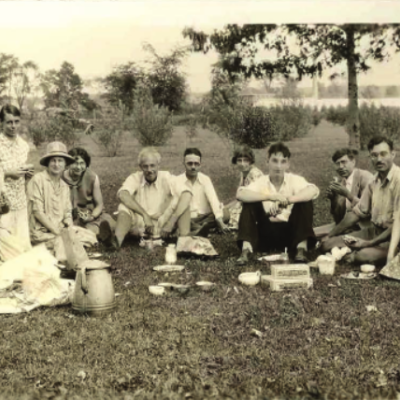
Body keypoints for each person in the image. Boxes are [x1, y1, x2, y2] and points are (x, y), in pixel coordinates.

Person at [321, 136, 400, 267]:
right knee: (326, 245)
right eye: (374, 155)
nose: (379, 159)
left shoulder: (398, 180)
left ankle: (367, 253)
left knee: (362, 255)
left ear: (393, 154)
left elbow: (398, 225)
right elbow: (357, 213)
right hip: (374, 231)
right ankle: (353, 251)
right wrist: (330, 235)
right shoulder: (374, 182)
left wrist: (368, 243)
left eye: (383, 154)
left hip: (394, 239)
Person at [236, 142, 319, 265]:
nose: (278, 166)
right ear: (267, 162)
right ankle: (246, 250)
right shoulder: (261, 181)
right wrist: (270, 197)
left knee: (305, 202)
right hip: (265, 234)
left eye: (283, 162)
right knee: (249, 202)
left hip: (291, 235)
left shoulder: (294, 180)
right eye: (275, 161)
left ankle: (301, 250)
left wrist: (288, 200)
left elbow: (313, 190)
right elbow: (240, 194)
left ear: (288, 164)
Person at [113, 147, 192, 249]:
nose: (149, 170)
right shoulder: (135, 177)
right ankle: (116, 242)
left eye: (152, 166)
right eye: (145, 166)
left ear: (158, 165)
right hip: (141, 223)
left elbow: (187, 194)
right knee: (123, 207)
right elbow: (123, 194)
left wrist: (171, 223)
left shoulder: (167, 177)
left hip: (163, 222)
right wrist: (144, 215)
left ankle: (184, 242)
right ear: (140, 166)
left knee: (183, 203)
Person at [314, 148, 373, 238]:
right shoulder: (343, 182)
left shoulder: (365, 177)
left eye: (343, 162)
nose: (341, 167)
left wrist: (348, 195)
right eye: (337, 164)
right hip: (345, 225)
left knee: (327, 242)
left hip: (364, 227)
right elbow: (338, 219)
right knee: (309, 233)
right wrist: (333, 199)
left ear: (353, 162)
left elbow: (369, 210)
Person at [62, 147, 116, 243]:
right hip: (68, 216)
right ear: (68, 163)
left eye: (82, 163)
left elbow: (99, 205)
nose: (78, 167)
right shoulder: (60, 178)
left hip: (89, 215)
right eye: (75, 163)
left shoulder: (92, 177)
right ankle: (96, 236)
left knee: (100, 224)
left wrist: (91, 217)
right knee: (71, 230)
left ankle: (99, 233)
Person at [27, 142, 75, 250]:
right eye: (53, 160)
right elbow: (37, 212)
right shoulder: (38, 180)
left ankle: (63, 243)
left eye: (60, 161)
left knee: (86, 235)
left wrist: (70, 227)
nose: (56, 164)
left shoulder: (64, 186)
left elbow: (67, 212)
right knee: (63, 242)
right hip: (40, 231)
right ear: (48, 163)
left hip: (59, 228)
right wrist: (58, 232)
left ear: (65, 164)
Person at [173, 148, 230, 237]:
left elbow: (213, 200)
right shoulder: (177, 180)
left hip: (205, 216)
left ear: (200, 165)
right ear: (183, 163)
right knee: (177, 220)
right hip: (188, 218)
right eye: (190, 163)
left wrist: (219, 220)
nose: (193, 167)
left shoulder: (205, 179)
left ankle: (198, 229)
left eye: (196, 164)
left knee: (225, 213)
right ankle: (201, 229)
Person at [0, 104, 33, 251]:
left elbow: (21, 169)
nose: (13, 126)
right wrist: (7, 174)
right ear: (1, 123)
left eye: (16, 121)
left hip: (19, 198)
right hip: (2, 200)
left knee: (21, 244)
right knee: (6, 244)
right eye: (9, 122)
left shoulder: (23, 145)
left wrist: (27, 174)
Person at [225, 145, 264, 230]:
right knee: (222, 211)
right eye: (239, 160)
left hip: (257, 206)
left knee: (227, 216)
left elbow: (259, 198)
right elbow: (238, 198)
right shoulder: (243, 173)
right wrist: (226, 207)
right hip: (245, 203)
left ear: (250, 161)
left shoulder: (255, 174)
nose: (242, 164)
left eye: (246, 160)